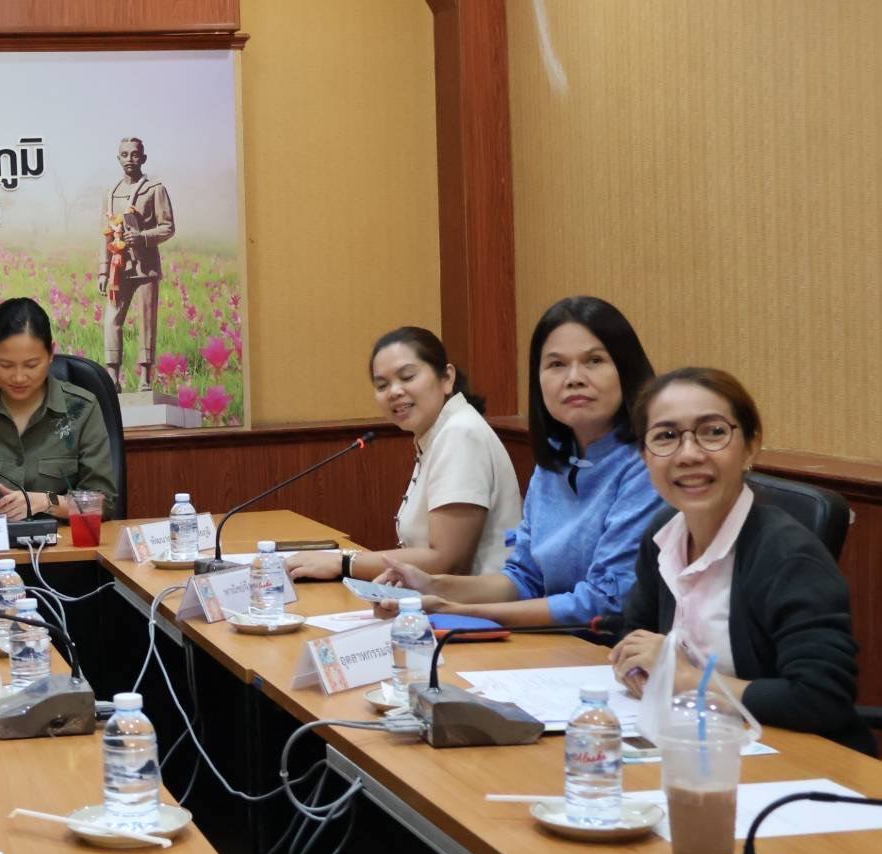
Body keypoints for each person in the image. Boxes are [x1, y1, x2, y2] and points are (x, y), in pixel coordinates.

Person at [610, 368, 874, 755]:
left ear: (750, 445)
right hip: (695, 746)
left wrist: (685, 680)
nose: (689, 454)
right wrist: (636, 666)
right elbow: (635, 633)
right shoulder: (664, 534)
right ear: (645, 455)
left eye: (713, 432)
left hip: (799, 764)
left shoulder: (789, 555)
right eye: (666, 437)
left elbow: (821, 698)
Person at [374, 296, 663, 626]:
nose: (574, 378)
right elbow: (523, 579)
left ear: (626, 368)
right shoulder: (555, 458)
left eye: (594, 361)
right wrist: (430, 585)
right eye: (556, 364)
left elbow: (604, 603)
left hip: (616, 654)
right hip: (553, 649)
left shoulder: (648, 462)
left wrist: (461, 611)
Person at [286, 327, 522, 581]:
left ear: (447, 378)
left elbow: (448, 561)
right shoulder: (439, 432)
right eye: (382, 385)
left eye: (407, 377)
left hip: (479, 613)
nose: (394, 391)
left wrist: (344, 563)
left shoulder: (460, 433)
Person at [0, 297, 118, 521]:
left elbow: (104, 503)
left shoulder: (81, 409)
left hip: (63, 551)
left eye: (31, 365)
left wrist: (46, 502)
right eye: (5, 365)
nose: (18, 377)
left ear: (50, 354)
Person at [99, 136, 174, 392]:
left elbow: (167, 227)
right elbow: (106, 234)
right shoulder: (110, 194)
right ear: (118, 158)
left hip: (146, 268)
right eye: (124, 154)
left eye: (134, 154)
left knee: (146, 321)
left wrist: (142, 237)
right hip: (118, 271)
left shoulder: (155, 188)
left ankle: (145, 377)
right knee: (111, 320)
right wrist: (102, 270)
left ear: (143, 158)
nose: (129, 159)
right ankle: (112, 377)